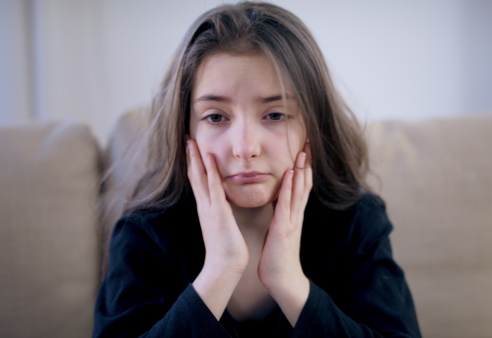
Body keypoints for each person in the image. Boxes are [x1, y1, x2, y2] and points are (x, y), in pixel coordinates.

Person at [93, 2, 421, 337]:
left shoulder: (355, 222)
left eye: (275, 115)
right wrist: (219, 273)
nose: (246, 147)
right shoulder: (146, 233)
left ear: (313, 125)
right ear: (185, 132)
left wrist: (290, 284)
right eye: (216, 117)